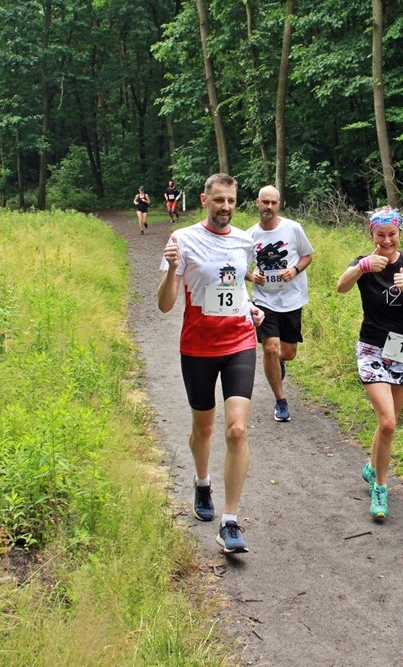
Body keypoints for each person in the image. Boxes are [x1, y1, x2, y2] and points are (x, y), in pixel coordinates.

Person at [158, 173, 263, 554]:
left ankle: (230, 522)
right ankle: (202, 483)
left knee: (237, 430)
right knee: (203, 428)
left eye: (231, 201)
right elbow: (165, 305)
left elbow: (235, 286)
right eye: (219, 200)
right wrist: (172, 269)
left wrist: (249, 307)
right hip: (198, 347)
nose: (225, 207)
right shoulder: (182, 240)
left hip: (239, 341)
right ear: (204, 200)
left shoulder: (244, 241)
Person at [335, 206, 403, 520]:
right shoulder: (364, 263)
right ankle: (380, 488)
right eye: (381, 235)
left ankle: (372, 466)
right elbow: (341, 286)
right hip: (372, 348)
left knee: (387, 425)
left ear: (400, 233)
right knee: (388, 421)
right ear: (372, 235)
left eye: (392, 234)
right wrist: (362, 267)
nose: (387, 240)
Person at [245, 185, 315, 422]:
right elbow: (240, 266)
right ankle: (281, 401)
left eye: (273, 203)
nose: (269, 207)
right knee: (270, 348)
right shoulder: (249, 235)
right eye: (265, 202)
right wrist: (252, 276)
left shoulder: (293, 228)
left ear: (279, 204)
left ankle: (279, 362)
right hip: (264, 299)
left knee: (288, 352)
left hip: (292, 298)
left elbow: (307, 255)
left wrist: (294, 270)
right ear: (257, 203)